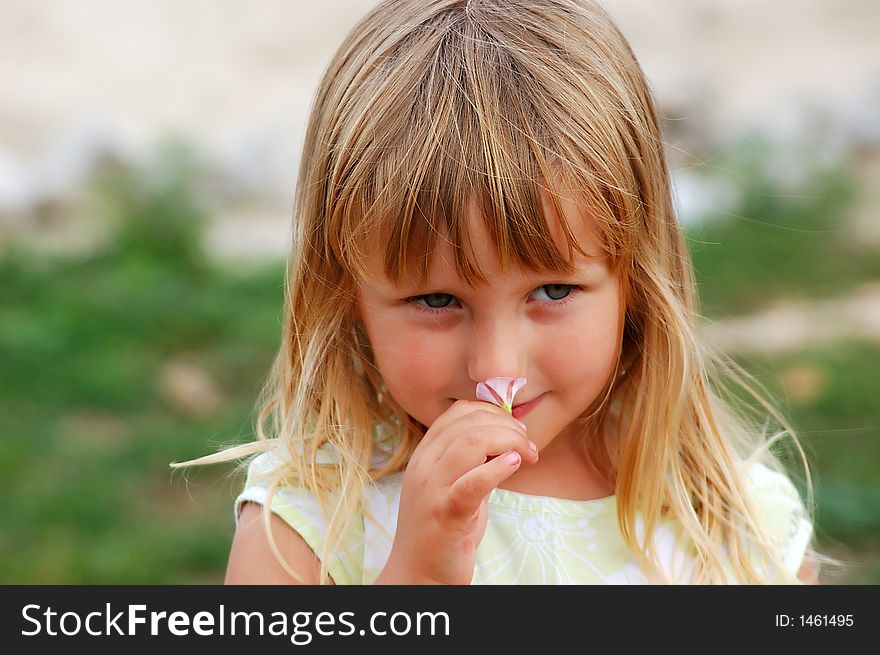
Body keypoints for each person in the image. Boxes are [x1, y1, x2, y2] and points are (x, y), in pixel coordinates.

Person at [172, 0, 831, 584]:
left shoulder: (741, 531)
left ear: (634, 279)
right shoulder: (310, 527)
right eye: (437, 301)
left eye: (551, 289)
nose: (497, 371)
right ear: (346, 294)